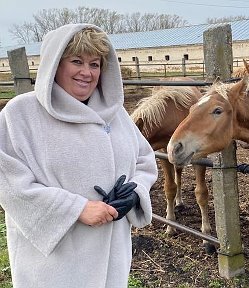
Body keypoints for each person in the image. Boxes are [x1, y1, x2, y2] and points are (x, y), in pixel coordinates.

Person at [0, 24, 158, 288]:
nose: (87, 73)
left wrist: (134, 192)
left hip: (112, 254)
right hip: (54, 261)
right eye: (77, 61)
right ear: (54, 64)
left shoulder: (115, 115)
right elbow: (9, 184)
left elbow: (144, 160)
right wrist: (76, 209)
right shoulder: (21, 115)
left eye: (94, 64)